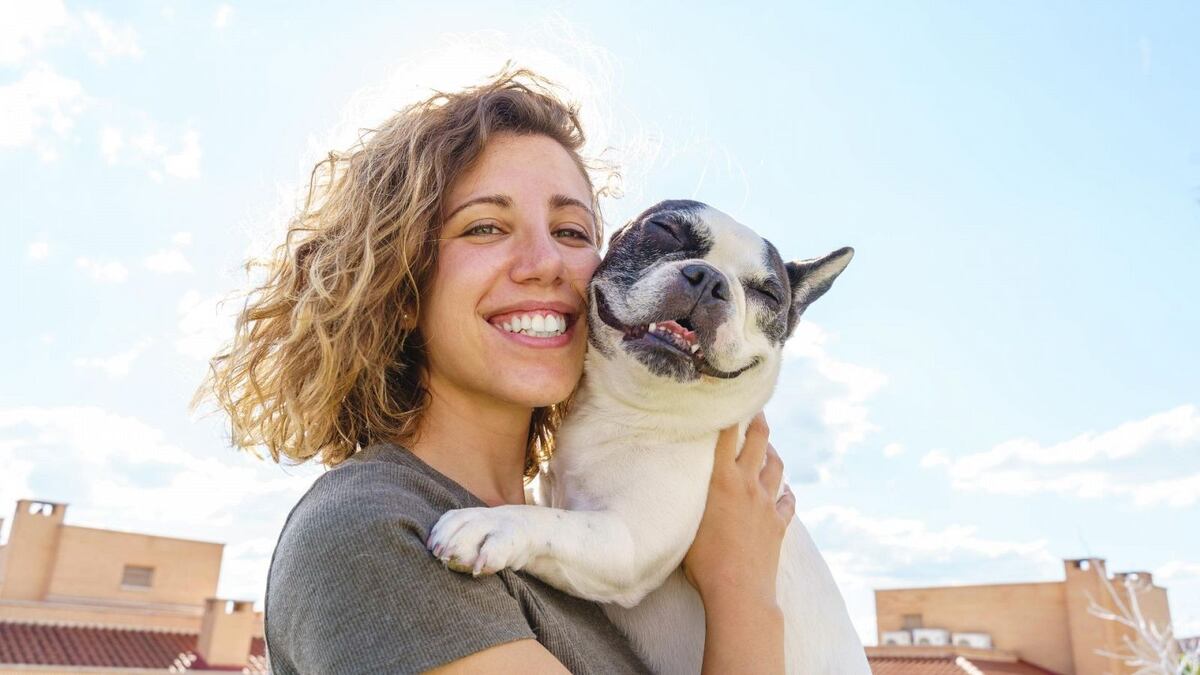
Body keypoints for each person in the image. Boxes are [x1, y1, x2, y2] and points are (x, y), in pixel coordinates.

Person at [205, 68, 795, 674]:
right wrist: (742, 592)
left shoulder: (558, 542)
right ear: (399, 287)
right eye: (485, 226)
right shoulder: (376, 534)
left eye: (571, 231)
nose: (545, 263)